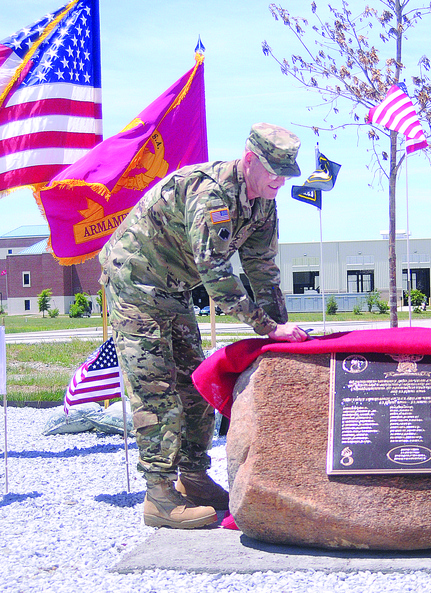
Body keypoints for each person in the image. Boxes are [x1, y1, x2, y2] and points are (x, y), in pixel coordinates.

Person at [99, 123, 311, 529]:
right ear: (250, 160)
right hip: (135, 280)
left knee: (194, 385)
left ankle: (193, 478)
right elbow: (215, 274)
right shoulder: (209, 193)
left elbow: (262, 270)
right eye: (273, 171)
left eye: (287, 172)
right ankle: (159, 496)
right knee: (156, 387)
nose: (281, 181)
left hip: (172, 288)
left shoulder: (262, 202)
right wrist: (266, 327)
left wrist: (285, 333)